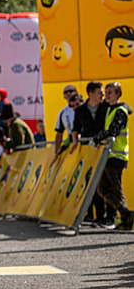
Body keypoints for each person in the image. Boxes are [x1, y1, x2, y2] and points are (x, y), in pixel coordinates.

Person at [92, 82, 134, 231]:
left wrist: (98, 137)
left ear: (118, 94)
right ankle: (126, 213)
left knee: (115, 189)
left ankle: (126, 218)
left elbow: (113, 131)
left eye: (110, 92)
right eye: (106, 92)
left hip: (116, 155)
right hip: (108, 155)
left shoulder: (120, 110)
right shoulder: (110, 109)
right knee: (102, 188)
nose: (106, 95)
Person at [71, 81, 111, 226]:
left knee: (105, 183)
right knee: (91, 184)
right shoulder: (81, 110)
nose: (103, 95)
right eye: (100, 92)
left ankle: (105, 217)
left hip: (105, 150)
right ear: (91, 94)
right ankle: (92, 215)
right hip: (89, 152)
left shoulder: (107, 107)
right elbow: (75, 130)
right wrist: (76, 144)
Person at [54, 84, 78, 153]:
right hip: (71, 144)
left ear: (76, 92)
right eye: (65, 92)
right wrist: (57, 152)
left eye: (71, 91)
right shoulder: (63, 112)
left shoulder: (84, 106)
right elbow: (59, 133)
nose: (68, 93)